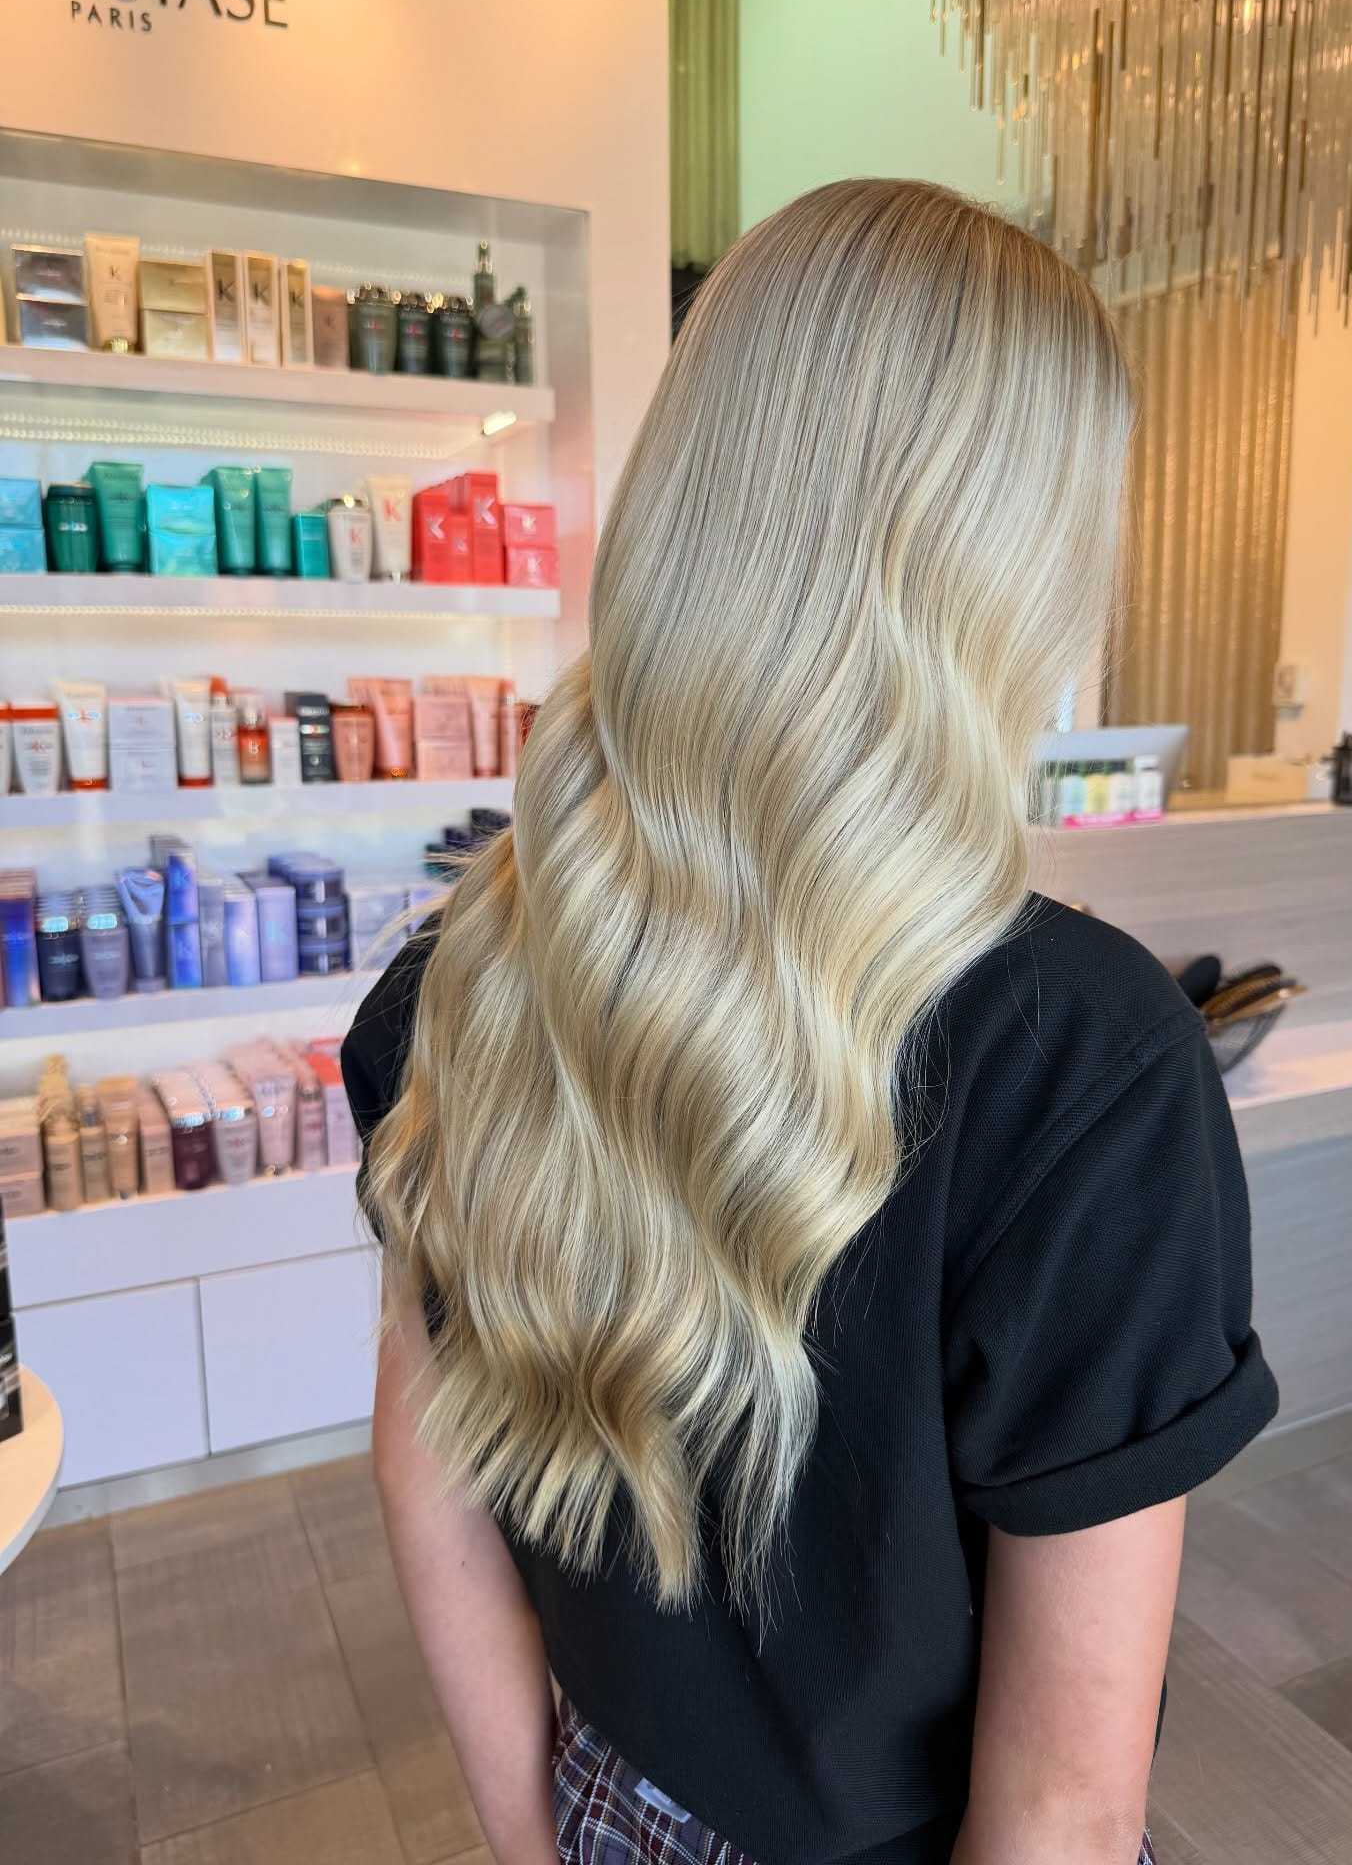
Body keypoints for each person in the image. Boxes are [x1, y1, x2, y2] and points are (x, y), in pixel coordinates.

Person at [341, 178, 1278, 1865]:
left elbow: (426, 1478)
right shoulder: (1088, 1066)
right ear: (1018, 567)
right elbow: (1064, 1808)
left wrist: (536, 1840)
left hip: (609, 1806)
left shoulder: (461, 978)